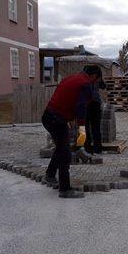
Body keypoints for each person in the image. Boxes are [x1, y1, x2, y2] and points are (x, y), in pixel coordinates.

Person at [42, 65, 102, 199]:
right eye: (96, 79)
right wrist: (82, 127)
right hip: (56, 119)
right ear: (94, 76)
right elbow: (81, 106)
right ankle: (64, 189)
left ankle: (50, 175)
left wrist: (66, 118)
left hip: (48, 116)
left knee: (61, 148)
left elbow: (64, 97)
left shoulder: (69, 78)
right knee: (65, 153)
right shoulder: (86, 84)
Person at [84, 77, 106, 155]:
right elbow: (104, 86)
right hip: (95, 103)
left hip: (86, 104)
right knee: (95, 127)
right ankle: (97, 148)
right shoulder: (97, 78)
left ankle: (88, 148)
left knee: (86, 127)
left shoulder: (84, 79)